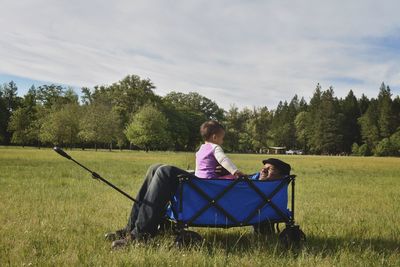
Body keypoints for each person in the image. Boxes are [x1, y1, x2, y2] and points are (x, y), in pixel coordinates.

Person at [108, 158, 290, 249]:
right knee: (155, 168)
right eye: (263, 167)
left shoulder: (267, 189)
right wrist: (221, 173)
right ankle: (131, 228)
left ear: (281, 177)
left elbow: (234, 194)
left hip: (209, 199)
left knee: (165, 171)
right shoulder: (254, 180)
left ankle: (141, 235)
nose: (263, 170)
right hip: (211, 192)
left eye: (270, 169)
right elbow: (230, 183)